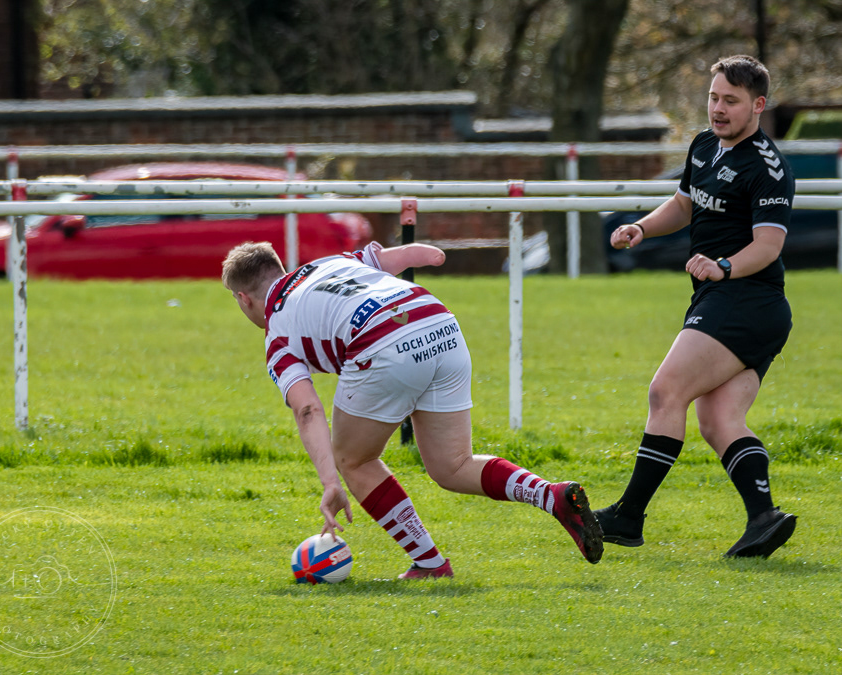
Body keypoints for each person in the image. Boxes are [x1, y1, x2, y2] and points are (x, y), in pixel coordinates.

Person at [222, 240, 604, 577]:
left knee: (354, 460)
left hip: (382, 340)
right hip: (438, 322)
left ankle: (430, 564)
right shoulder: (329, 263)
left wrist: (330, 482)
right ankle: (551, 495)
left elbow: (307, 410)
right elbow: (407, 256)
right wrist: (432, 255)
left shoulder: (277, 337)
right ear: (281, 269)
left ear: (244, 298)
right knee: (452, 465)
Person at [595, 54, 797, 558]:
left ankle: (627, 516)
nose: (718, 109)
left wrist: (723, 267)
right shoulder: (705, 145)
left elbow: (768, 247)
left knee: (666, 392)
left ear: (758, 105)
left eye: (731, 101)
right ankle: (763, 518)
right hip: (730, 299)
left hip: (747, 299)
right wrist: (641, 226)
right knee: (719, 417)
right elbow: (684, 205)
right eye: (713, 97)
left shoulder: (768, 166)